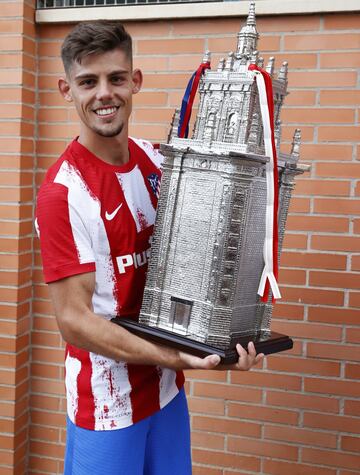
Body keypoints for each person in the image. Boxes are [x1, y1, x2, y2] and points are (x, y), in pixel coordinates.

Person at [35, 20, 264, 475]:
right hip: (107, 407)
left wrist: (225, 337)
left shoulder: (164, 164)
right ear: (67, 89)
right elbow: (75, 322)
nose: (105, 93)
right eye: (88, 82)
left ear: (134, 81)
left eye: (116, 78)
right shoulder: (64, 191)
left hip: (166, 394)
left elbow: (208, 253)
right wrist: (177, 356)